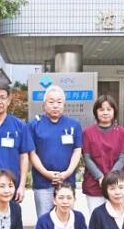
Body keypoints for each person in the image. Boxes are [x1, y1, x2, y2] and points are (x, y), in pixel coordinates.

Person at [28, 85, 83, 217]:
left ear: (64, 104)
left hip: (67, 182)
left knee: (67, 220)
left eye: (59, 102)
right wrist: (46, 173)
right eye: (51, 102)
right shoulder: (34, 125)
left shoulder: (73, 125)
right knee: (44, 221)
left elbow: (77, 150)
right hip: (43, 183)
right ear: (44, 104)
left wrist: (67, 173)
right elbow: (32, 153)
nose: (55, 106)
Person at [82, 95, 124, 220]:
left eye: (109, 109)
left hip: (116, 183)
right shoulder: (88, 132)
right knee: (97, 220)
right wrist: (100, 177)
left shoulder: (122, 132)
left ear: (114, 111)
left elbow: (123, 157)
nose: (105, 112)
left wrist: (110, 178)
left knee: (118, 219)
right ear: (96, 112)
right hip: (94, 184)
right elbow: (87, 157)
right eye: (101, 109)